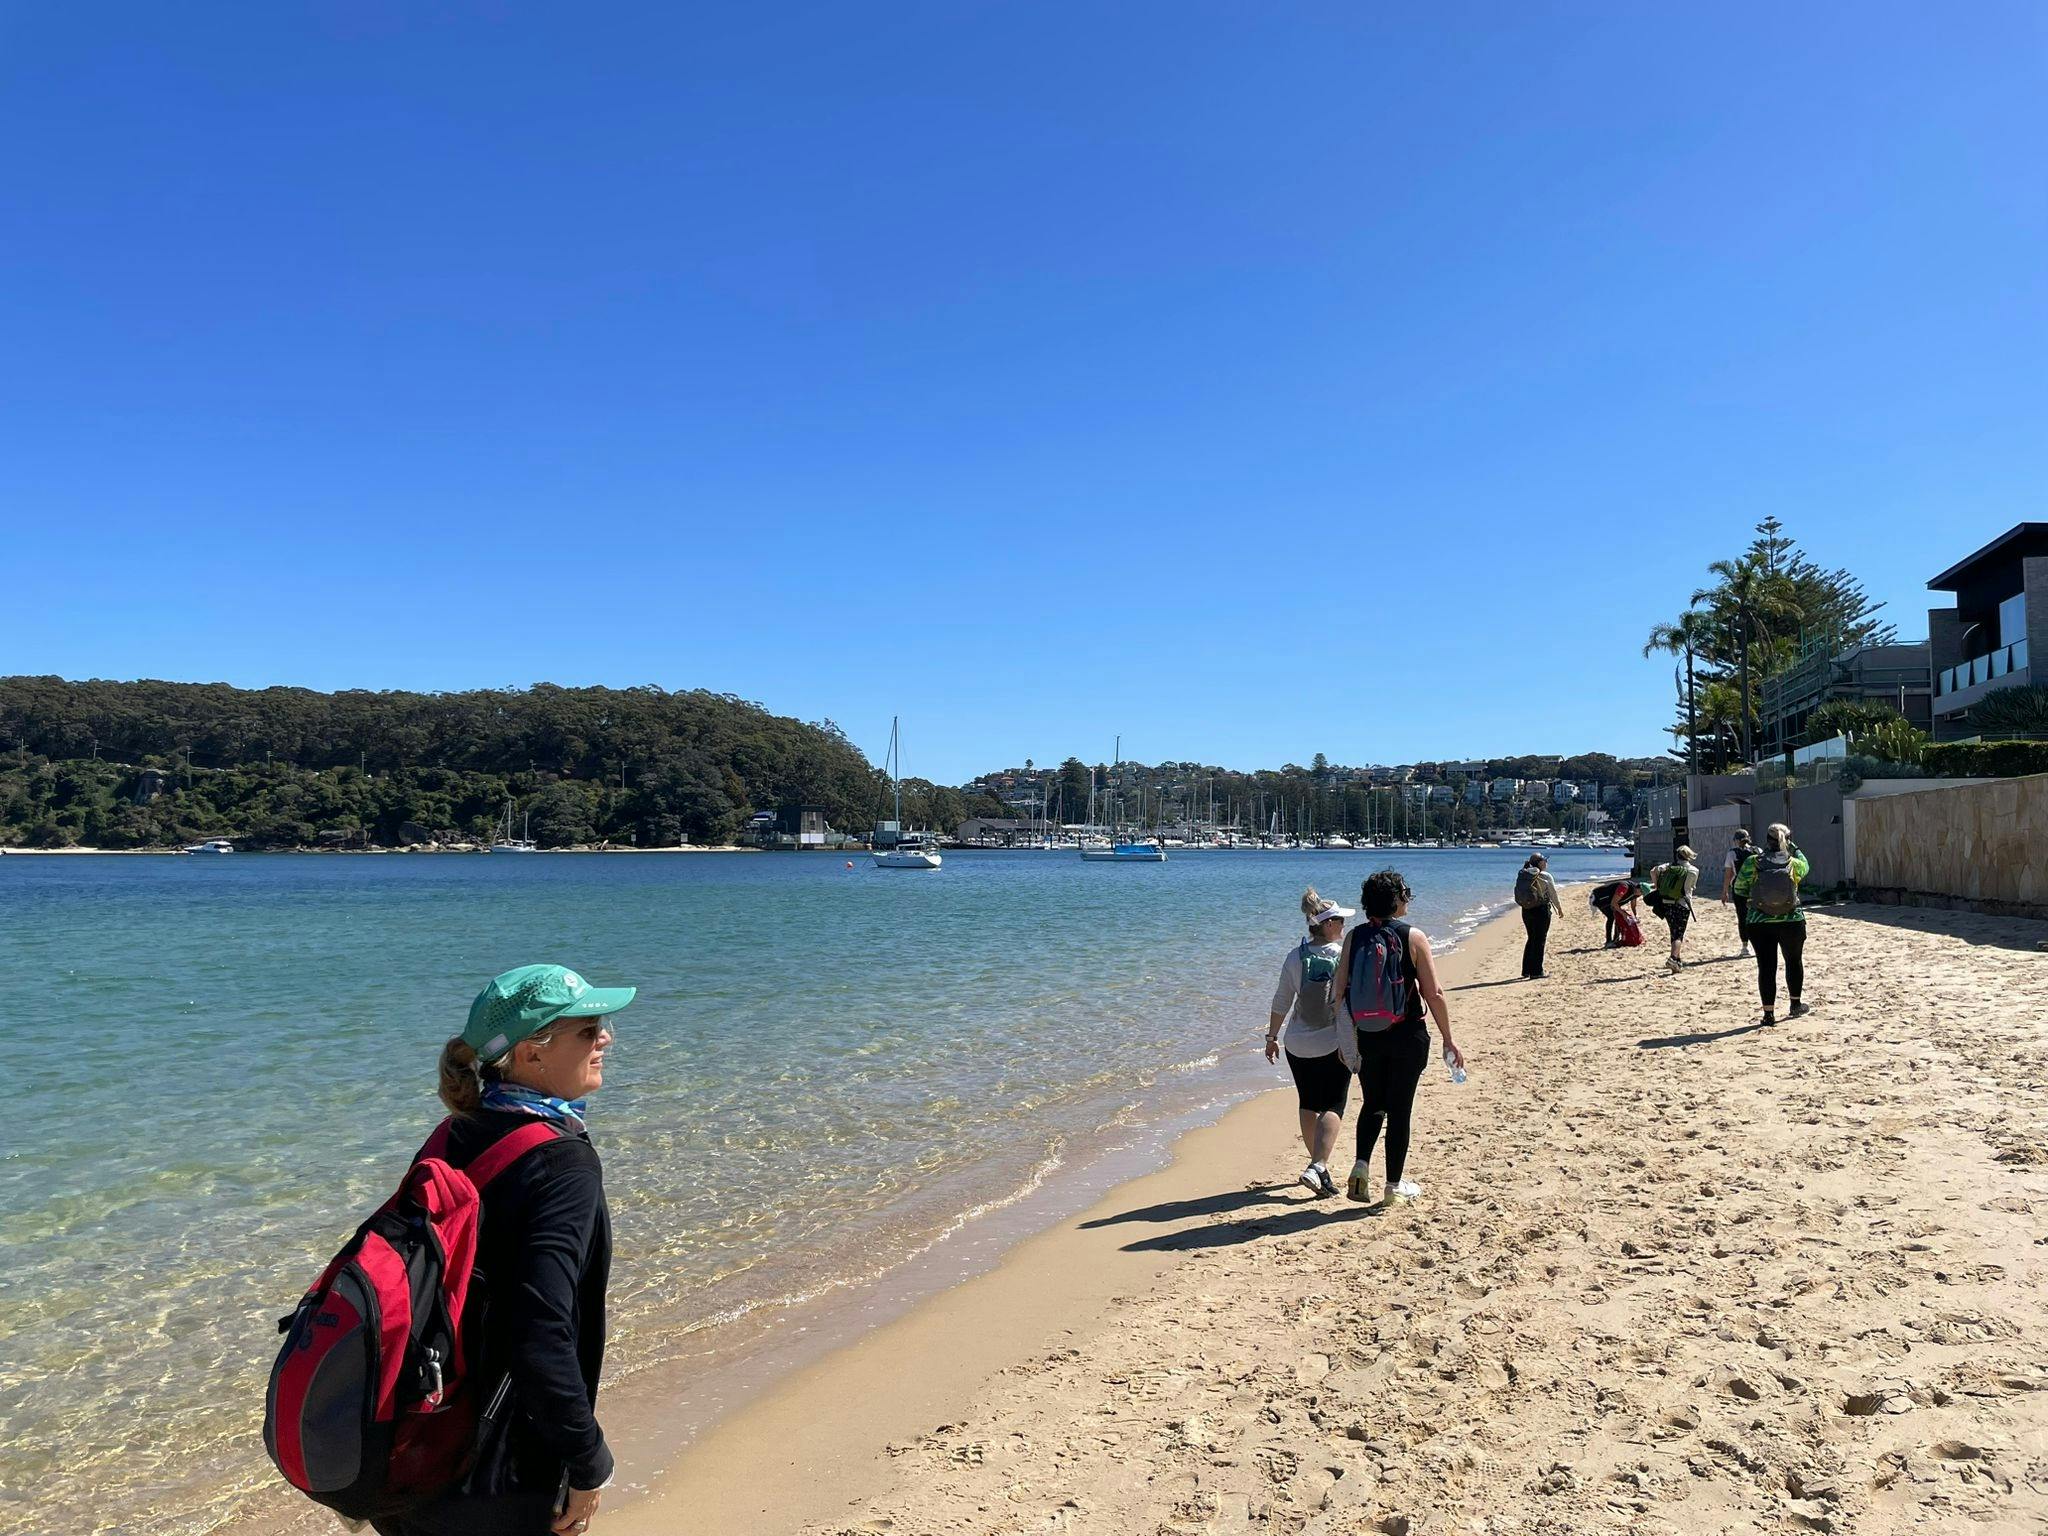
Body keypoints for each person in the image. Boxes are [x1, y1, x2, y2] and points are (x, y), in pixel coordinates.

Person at [375, 963, 636, 1536]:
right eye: (588, 1029)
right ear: (530, 1054)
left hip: (418, 1440)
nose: (606, 1038)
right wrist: (587, 1460)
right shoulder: (563, 1163)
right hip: (498, 1463)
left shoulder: (456, 1131)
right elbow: (541, 1329)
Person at [1331, 869, 1464, 1206]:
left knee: (1373, 1103)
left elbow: (1338, 991)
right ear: (1397, 900)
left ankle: (1361, 1167)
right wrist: (1449, 1038)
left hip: (1369, 1036)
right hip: (1408, 1035)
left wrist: (1344, 1038)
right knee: (1400, 1110)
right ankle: (1393, 1185)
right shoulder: (1413, 936)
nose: (1408, 900)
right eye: (1405, 894)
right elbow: (1433, 993)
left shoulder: (1355, 937)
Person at [1265, 887, 1357, 1197]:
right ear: (1329, 925)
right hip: (1331, 1043)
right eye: (1340, 922)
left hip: (1296, 1045)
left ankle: (1318, 1167)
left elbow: (1282, 1000)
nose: (1343, 926)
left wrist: (1271, 1037)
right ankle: (1317, 1166)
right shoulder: (1342, 955)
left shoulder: (1295, 956)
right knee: (1335, 1103)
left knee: (1308, 1102)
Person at [1731, 822, 1811, 1025]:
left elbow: (1739, 888)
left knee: (1766, 967)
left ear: (1766, 839)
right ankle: (1795, 1005)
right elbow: (1806, 866)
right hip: (1791, 920)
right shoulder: (1794, 863)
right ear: (1787, 840)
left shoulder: (1752, 862)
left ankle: (1768, 1014)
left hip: (1759, 922)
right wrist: (1794, 847)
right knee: (1794, 961)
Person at [1513, 853, 1565, 979]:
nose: (1546, 863)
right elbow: (1553, 894)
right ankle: (1536, 971)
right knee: (1540, 939)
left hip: (1526, 910)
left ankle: (1526, 970)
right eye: (1545, 860)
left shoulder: (1524, 874)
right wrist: (1559, 909)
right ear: (1540, 863)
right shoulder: (1545, 876)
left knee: (1531, 938)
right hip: (1541, 910)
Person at [1649, 846, 1699, 973]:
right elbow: (1691, 887)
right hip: (1683, 904)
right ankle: (1673, 958)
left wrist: (1657, 886)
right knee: (1679, 934)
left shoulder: (1667, 866)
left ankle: (1677, 962)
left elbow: (1652, 871)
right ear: (1689, 856)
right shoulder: (1693, 870)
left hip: (1667, 903)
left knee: (1673, 931)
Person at [1720, 828, 1755, 958]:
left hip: (1739, 889)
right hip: (1756, 889)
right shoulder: (1757, 851)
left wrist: (1725, 891)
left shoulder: (1732, 854)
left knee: (1742, 916)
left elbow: (1728, 874)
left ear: (1736, 840)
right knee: (1758, 915)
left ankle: (1745, 946)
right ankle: (1759, 944)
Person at [1589, 877, 1642, 947]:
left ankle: (1615, 940)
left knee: (1618, 916)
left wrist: (1635, 916)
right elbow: (1614, 903)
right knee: (1611, 917)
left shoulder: (1635, 893)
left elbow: (1633, 906)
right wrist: (1623, 914)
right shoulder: (1624, 887)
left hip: (1611, 901)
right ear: (1638, 888)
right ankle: (1608, 942)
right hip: (1599, 897)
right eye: (1641, 892)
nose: (1640, 895)